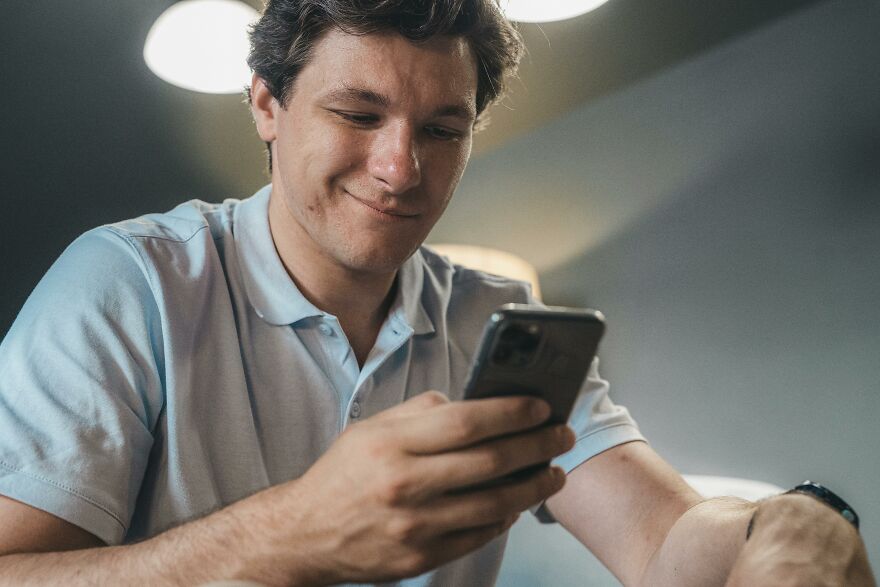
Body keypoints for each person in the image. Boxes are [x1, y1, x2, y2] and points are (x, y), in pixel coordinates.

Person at [0, 0, 874, 585]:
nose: (400, 167)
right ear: (267, 105)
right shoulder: (129, 282)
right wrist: (297, 527)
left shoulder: (493, 322)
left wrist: (790, 524)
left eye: (442, 128)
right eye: (359, 113)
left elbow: (667, 538)